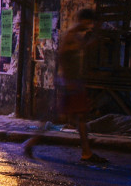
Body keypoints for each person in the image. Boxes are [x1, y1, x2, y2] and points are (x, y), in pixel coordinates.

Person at [23, 9, 107, 164]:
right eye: (89, 23)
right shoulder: (70, 36)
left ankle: (85, 152)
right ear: (83, 20)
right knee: (66, 118)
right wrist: (68, 82)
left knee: (74, 118)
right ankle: (31, 143)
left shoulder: (76, 37)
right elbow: (63, 57)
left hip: (73, 83)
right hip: (71, 84)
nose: (89, 26)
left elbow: (83, 50)